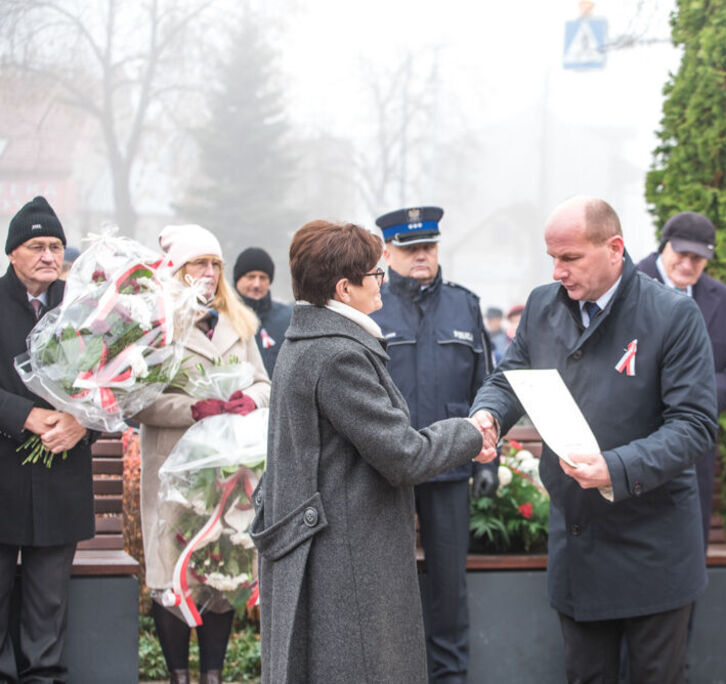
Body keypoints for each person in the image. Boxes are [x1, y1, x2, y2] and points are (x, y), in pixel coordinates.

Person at [470, 196, 718, 683]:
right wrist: (488, 415)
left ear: (615, 248)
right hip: (579, 540)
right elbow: (510, 375)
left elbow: (694, 425)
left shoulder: (673, 316)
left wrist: (617, 468)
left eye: (570, 257)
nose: (558, 271)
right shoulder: (542, 305)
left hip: (653, 543)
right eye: (552, 259)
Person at [252, 219, 495, 683]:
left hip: (331, 545)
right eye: (373, 274)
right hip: (347, 558)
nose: (382, 280)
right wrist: (469, 432)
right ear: (345, 288)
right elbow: (403, 454)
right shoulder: (338, 354)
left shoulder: (308, 340)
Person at [133, 224, 271, 684]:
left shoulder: (240, 321)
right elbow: (140, 400)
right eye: (199, 263)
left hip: (229, 469)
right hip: (174, 466)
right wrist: (192, 409)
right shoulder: (155, 326)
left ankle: (212, 673)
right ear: (178, 269)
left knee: (221, 571)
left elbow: (263, 382)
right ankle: (178, 675)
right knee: (173, 574)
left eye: (215, 264)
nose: (209, 272)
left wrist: (250, 399)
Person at [368, 206, 498, 683]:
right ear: (387, 252)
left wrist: (489, 458)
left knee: (449, 588)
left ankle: (451, 678)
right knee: (388, 585)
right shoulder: (373, 305)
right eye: (409, 248)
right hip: (389, 468)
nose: (421, 255)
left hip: (450, 466)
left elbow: (485, 386)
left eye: (428, 246)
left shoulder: (464, 305)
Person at [0, 196, 93, 682]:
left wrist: (82, 422)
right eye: (36, 245)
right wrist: (24, 415)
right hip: (3, 477)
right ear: (13, 252)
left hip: (61, 481)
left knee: (48, 609)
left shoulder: (86, 311)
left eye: (56, 245)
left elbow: (112, 387)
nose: (48, 255)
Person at [635, 210, 726, 548]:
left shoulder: (724, 300)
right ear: (663, 247)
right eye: (682, 254)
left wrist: (694, 398)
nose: (689, 265)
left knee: (689, 551)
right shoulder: (627, 287)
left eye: (699, 258)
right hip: (635, 445)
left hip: (693, 452)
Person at [233, 246, 292, 376]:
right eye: (251, 277)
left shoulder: (288, 319)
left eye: (263, 278)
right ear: (237, 280)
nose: (257, 284)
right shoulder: (223, 317)